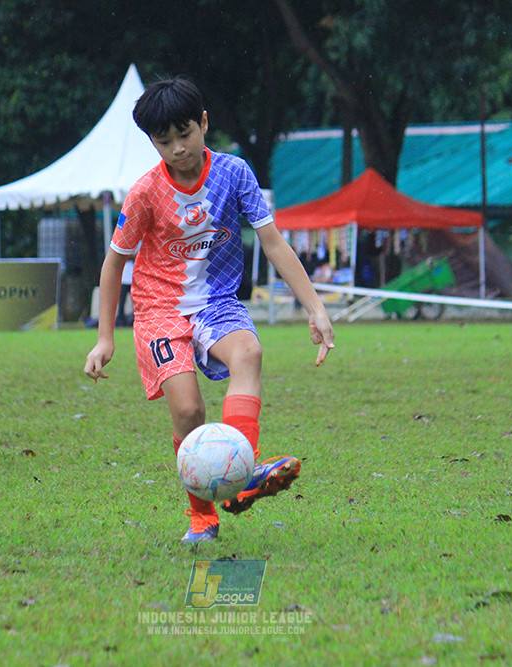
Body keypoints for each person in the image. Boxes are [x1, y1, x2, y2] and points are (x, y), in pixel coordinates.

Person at [83, 76, 335, 543]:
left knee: (250, 354)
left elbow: (273, 243)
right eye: (164, 141)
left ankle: (241, 481)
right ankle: (202, 516)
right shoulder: (143, 193)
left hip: (217, 303)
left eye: (185, 134)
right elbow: (113, 261)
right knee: (188, 410)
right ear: (152, 142)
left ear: (204, 123)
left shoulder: (235, 174)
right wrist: (104, 337)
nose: (177, 148)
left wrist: (315, 308)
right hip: (159, 309)